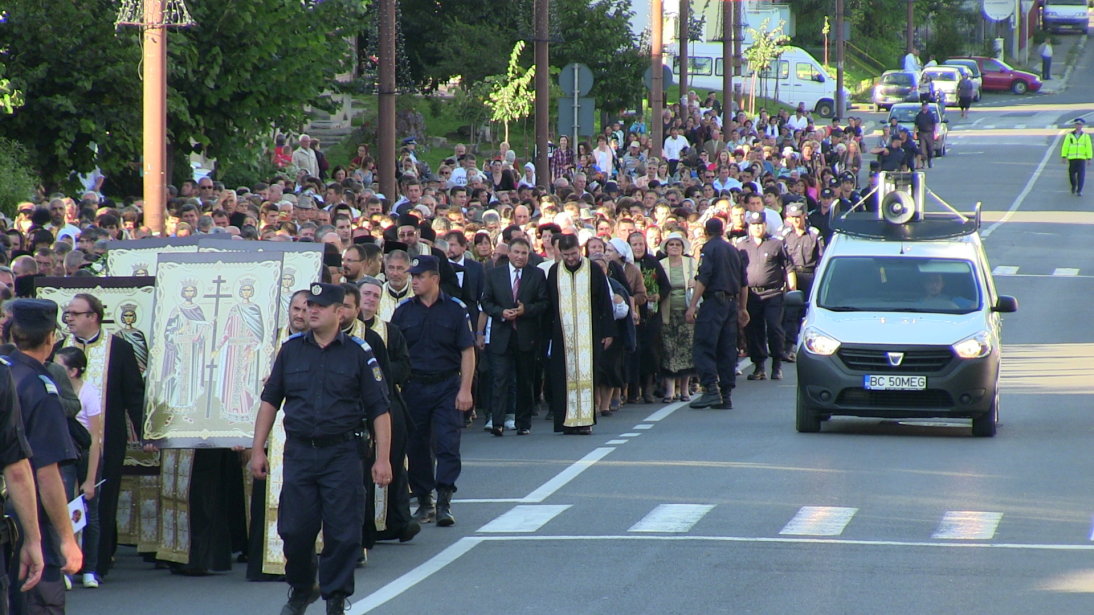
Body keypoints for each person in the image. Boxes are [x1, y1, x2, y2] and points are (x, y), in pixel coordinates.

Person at [250, 283, 392, 615]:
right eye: (309, 305)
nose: (312, 311)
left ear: (339, 313)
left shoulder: (359, 352)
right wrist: (259, 449)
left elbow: (379, 410)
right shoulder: (291, 350)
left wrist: (383, 459)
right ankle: (303, 588)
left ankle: (335, 598)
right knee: (294, 530)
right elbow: (270, 401)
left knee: (343, 534)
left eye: (320, 306)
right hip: (300, 453)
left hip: (341, 453)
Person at [59, 293, 143, 580]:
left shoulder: (118, 348)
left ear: (93, 317)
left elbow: (134, 392)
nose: (68, 317)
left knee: (102, 497)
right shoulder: (61, 348)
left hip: (109, 437)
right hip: (67, 440)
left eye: (75, 313)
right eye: (67, 312)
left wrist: (145, 433)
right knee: (69, 496)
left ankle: (99, 560)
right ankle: (70, 560)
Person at [5, 299, 82, 614]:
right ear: (51, 339)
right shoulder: (39, 388)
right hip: (23, 513)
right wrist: (67, 538)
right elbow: (46, 472)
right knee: (38, 599)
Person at [390, 255, 475, 527]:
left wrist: (465, 390)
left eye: (419, 276)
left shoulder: (455, 309)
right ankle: (424, 499)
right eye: (412, 276)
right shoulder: (403, 311)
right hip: (414, 386)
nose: (413, 280)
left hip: (446, 385)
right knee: (416, 445)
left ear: (435, 279)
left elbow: (467, 351)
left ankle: (444, 500)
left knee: (447, 443)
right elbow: (395, 353)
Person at [357, 277, 418, 547]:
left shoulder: (390, 332)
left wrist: (378, 372)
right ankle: (368, 525)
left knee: (393, 461)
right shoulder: (347, 332)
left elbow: (404, 367)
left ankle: (398, 522)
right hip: (356, 409)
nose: (370, 299)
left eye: (375, 295)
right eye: (365, 294)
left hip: (387, 401)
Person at [546, 234, 615, 434]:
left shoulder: (592, 269)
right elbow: (549, 303)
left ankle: (584, 421)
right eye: (566, 254)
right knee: (563, 377)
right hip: (562, 334)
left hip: (589, 332)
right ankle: (566, 421)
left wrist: (608, 331)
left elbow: (605, 302)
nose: (570, 258)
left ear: (580, 249)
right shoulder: (554, 271)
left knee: (586, 376)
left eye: (573, 253)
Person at [479, 238, 549, 436]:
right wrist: (501, 312)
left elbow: (544, 303)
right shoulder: (494, 274)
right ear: (508, 253)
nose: (519, 257)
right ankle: (498, 422)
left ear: (529, 254)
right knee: (499, 378)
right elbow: (485, 301)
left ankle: (523, 422)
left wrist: (525, 310)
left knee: (525, 380)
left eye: (524, 253)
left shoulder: (537, 274)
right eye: (516, 252)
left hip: (526, 335)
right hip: (501, 334)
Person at [52, 347, 103, 590]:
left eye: (59, 366)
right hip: (63, 452)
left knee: (89, 511)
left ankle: (90, 569)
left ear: (72, 371)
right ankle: (66, 568)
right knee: (64, 508)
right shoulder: (52, 391)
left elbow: (95, 438)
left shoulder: (89, 393)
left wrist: (91, 478)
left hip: (84, 453)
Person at [685, 219, 749, 409]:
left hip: (714, 302)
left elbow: (704, 278)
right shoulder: (733, 250)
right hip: (731, 303)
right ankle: (726, 393)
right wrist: (742, 308)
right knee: (727, 348)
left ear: (706, 232)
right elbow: (743, 283)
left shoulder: (709, 249)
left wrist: (693, 305)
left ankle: (711, 389)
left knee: (704, 345)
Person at [737, 211, 794, 382]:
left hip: (773, 292)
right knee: (753, 330)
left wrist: (792, 289)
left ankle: (777, 364)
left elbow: (788, 267)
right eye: (753, 225)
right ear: (749, 226)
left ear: (765, 225)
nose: (757, 227)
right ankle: (759, 366)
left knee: (774, 327)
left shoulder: (776, 244)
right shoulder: (742, 246)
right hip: (751, 294)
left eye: (760, 224)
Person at [778, 203, 824, 361]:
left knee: (807, 312)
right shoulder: (784, 235)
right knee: (790, 312)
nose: (796, 220)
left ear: (804, 215)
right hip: (791, 275)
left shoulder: (813, 234)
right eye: (793, 217)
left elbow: (821, 258)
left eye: (799, 217)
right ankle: (789, 345)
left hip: (809, 274)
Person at [658, 232, 696, 403]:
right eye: (671, 244)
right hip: (667, 312)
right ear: (666, 248)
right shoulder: (661, 264)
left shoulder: (691, 263)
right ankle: (670, 390)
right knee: (668, 349)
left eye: (677, 244)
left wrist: (695, 284)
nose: (674, 247)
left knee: (686, 349)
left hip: (687, 312)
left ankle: (685, 389)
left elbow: (700, 281)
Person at [1061, 118, 1093, 196]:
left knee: (1081, 175)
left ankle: (1079, 190)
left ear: (1082, 126)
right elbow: (1065, 146)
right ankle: (1074, 185)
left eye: (1080, 124)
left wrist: (1089, 158)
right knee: (1071, 174)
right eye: (1077, 124)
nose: (1078, 126)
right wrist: (1064, 156)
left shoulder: (1086, 136)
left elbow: (1088, 147)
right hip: (1072, 158)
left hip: (1081, 158)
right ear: (1075, 125)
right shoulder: (1069, 135)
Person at [914, 102, 938, 169]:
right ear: (922, 107)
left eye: (926, 106)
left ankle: (929, 160)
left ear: (927, 106)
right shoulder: (919, 115)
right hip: (921, 133)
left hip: (930, 133)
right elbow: (916, 125)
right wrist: (914, 133)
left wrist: (935, 133)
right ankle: (924, 163)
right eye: (923, 106)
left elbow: (935, 124)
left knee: (930, 148)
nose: (924, 107)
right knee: (922, 149)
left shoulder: (931, 115)